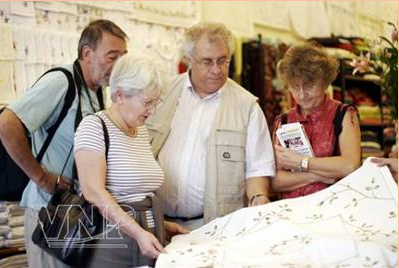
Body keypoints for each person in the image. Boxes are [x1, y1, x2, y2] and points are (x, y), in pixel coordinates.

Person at [0, 19, 127, 267]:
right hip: (48, 212)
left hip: (74, 213)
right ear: (87, 53)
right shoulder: (62, 81)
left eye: (123, 58)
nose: (119, 66)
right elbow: (6, 124)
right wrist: (42, 177)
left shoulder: (96, 92)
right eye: (112, 57)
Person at [146, 22, 275, 230]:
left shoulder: (247, 107)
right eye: (207, 62)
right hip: (157, 221)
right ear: (188, 60)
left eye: (222, 61)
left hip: (214, 226)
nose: (216, 70)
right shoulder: (162, 93)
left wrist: (258, 198)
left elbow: (257, 169)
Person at [74, 54, 188, 267]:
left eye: (156, 102)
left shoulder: (140, 131)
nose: (152, 111)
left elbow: (136, 191)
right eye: (147, 102)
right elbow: (94, 193)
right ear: (119, 96)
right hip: (113, 243)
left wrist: (161, 225)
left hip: (146, 236)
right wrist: (137, 232)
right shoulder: (94, 127)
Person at [272, 42, 361, 199]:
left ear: (325, 82)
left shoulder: (344, 114)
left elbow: (350, 165)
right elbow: (274, 180)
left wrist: (301, 162)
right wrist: (317, 176)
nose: (301, 94)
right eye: (294, 86)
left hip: (333, 208)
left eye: (309, 85)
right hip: (291, 210)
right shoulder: (283, 121)